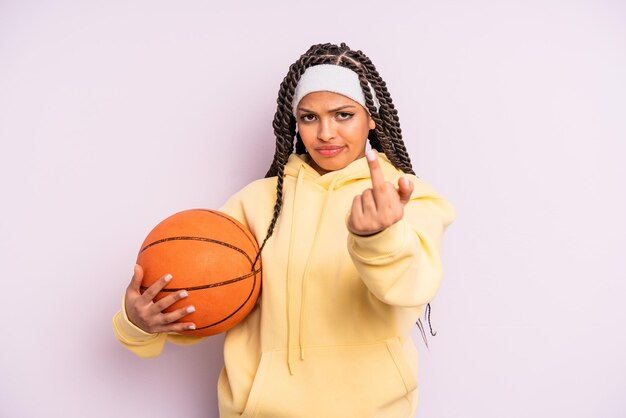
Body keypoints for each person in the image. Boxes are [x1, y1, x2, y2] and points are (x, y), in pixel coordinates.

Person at [113, 42, 456, 418]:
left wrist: (378, 238)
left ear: (370, 118)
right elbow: (212, 298)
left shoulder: (407, 197)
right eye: (309, 117)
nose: (325, 133)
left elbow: (413, 286)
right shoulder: (256, 203)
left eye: (343, 115)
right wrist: (139, 323)